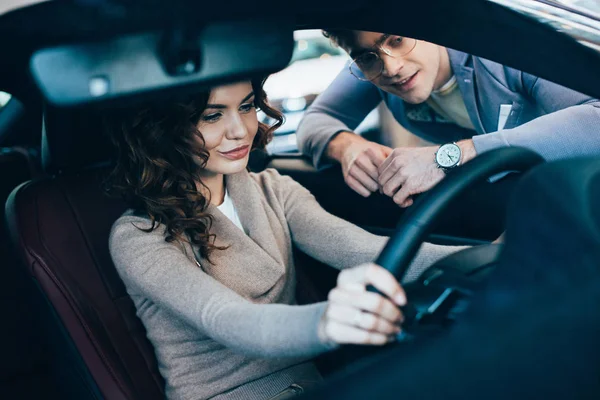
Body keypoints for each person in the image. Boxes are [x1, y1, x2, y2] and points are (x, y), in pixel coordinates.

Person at [106, 79, 463, 400]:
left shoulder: (274, 190)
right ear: (162, 130)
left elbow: (365, 251)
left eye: (246, 107)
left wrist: (501, 255)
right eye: (212, 116)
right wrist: (327, 320)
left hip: (313, 382)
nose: (240, 131)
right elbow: (230, 320)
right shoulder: (139, 236)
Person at [296, 30, 600, 207]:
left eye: (398, 39)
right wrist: (346, 146)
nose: (390, 67)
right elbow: (315, 121)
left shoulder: (505, 51)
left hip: (578, 199)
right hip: (505, 204)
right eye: (365, 56)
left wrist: (451, 156)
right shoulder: (372, 68)